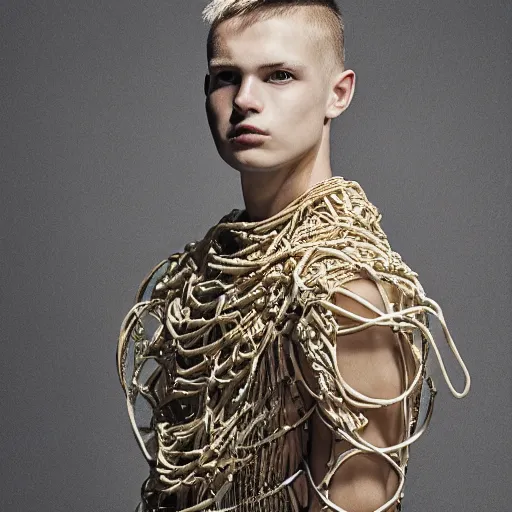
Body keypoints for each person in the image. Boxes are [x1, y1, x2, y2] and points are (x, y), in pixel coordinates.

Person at [117, 1, 471, 510]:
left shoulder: (348, 293)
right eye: (225, 77)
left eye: (279, 75)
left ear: (338, 93)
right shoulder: (205, 276)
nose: (245, 100)